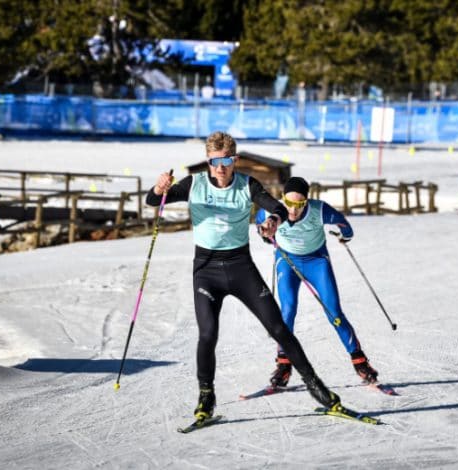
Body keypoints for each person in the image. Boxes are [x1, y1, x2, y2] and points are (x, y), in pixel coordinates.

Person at [146, 131, 341, 421]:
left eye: (226, 160)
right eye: (214, 161)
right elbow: (153, 201)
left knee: (278, 328)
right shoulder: (194, 184)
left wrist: (274, 221)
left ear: (234, 160)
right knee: (208, 334)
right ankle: (206, 397)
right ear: (208, 161)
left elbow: (276, 207)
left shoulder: (246, 185)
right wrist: (159, 188)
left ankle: (317, 387)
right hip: (206, 270)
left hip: (240, 267)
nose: (220, 168)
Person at [255, 177, 380, 388]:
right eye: (288, 203)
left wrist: (344, 235)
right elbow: (261, 228)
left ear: (307, 201)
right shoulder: (270, 211)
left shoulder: (319, 210)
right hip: (287, 261)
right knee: (287, 311)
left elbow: (344, 225)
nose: (293, 210)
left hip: (316, 261)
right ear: (282, 198)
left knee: (334, 313)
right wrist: (266, 235)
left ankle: (360, 362)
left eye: (299, 204)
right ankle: (284, 366)